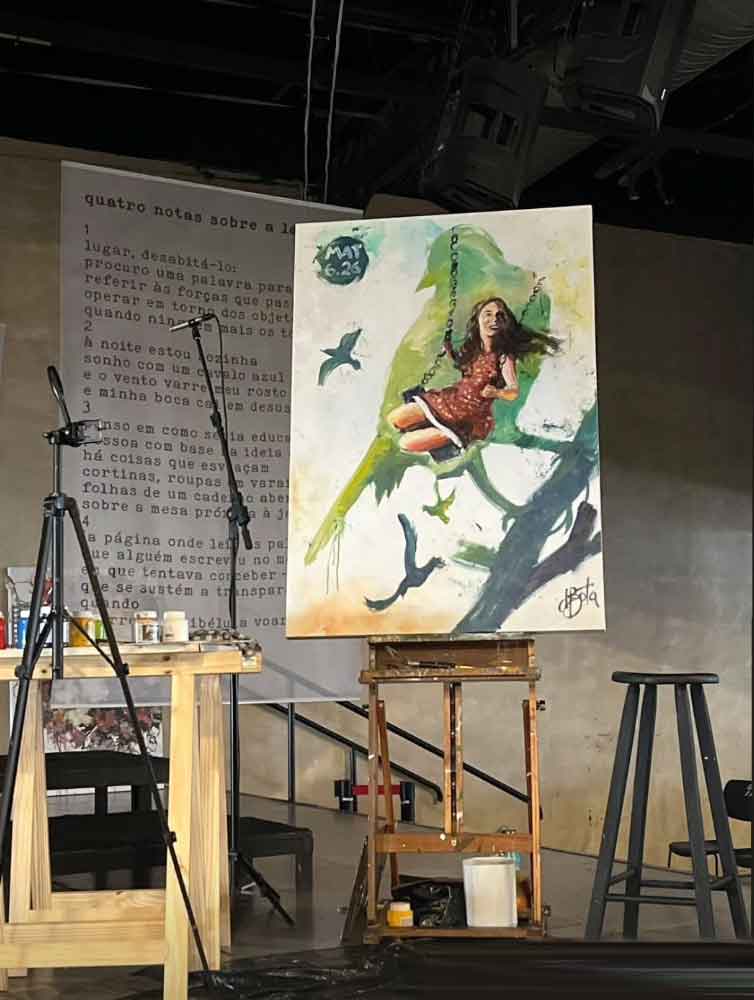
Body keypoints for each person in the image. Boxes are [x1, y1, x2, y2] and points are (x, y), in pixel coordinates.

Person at [388, 296, 557, 455]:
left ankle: (451, 435)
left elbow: (513, 391)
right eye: (488, 314)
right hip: (449, 400)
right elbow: (467, 369)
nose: (494, 320)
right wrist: (450, 352)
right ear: (478, 319)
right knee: (395, 419)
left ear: (505, 323)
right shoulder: (473, 349)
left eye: (500, 316)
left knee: (405, 443)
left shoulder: (504, 356)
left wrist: (497, 392)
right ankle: (433, 424)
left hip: (469, 417)